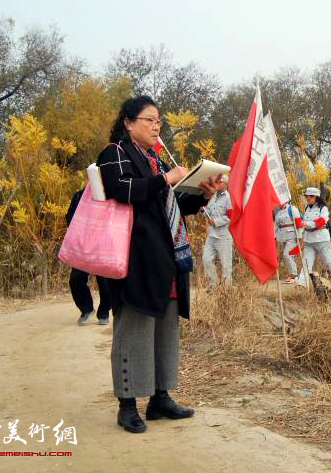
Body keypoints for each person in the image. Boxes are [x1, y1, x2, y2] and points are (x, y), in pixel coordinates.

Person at [97, 95, 219, 434]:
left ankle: (159, 398)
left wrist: (202, 193)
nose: (156, 126)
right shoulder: (115, 154)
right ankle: (127, 405)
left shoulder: (154, 159)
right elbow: (122, 189)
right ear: (128, 122)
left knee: (164, 329)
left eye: (159, 121)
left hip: (165, 259)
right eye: (149, 119)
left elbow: (173, 204)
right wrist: (166, 179)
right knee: (134, 329)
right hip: (134, 259)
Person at [65, 188, 111, 325]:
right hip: (83, 245)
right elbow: (70, 218)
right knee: (75, 279)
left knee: (105, 282)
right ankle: (86, 309)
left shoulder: (109, 195)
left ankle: (104, 312)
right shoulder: (79, 196)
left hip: (103, 245)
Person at [296, 187, 331, 286]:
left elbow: (323, 221)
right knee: (306, 263)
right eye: (307, 196)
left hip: (321, 239)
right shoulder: (306, 208)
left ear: (316, 197)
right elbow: (304, 223)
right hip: (309, 240)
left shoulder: (323, 208)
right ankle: (302, 284)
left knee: (328, 262)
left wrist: (308, 224)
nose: (308, 198)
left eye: (311, 196)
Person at [202, 175, 233, 287]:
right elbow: (208, 211)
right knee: (206, 259)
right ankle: (213, 286)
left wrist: (216, 221)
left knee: (226, 265)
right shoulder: (213, 196)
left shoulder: (228, 198)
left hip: (223, 236)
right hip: (211, 235)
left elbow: (230, 217)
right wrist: (202, 210)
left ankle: (226, 292)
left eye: (220, 182)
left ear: (225, 184)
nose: (217, 184)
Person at [273, 200, 302, 283]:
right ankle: (293, 276)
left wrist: (299, 236)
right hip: (282, 236)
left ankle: (294, 275)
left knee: (287, 255)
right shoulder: (278, 212)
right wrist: (274, 236)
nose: (278, 203)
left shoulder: (292, 209)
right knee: (289, 256)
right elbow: (276, 226)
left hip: (292, 236)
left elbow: (298, 222)